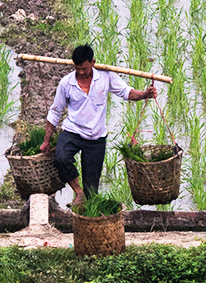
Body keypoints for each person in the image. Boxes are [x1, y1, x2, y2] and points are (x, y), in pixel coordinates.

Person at [41, 45, 157, 205]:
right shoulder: (66, 83)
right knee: (61, 158)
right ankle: (78, 192)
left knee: (92, 192)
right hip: (72, 131)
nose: (81, 72)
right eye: (77, 68)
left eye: (84, 68)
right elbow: (55, 111)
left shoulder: (105, 76)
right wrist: (46, 140)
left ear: (93, 62)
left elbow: (126, 92)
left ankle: (84, 208)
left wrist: (144, 94)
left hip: (96, 137)